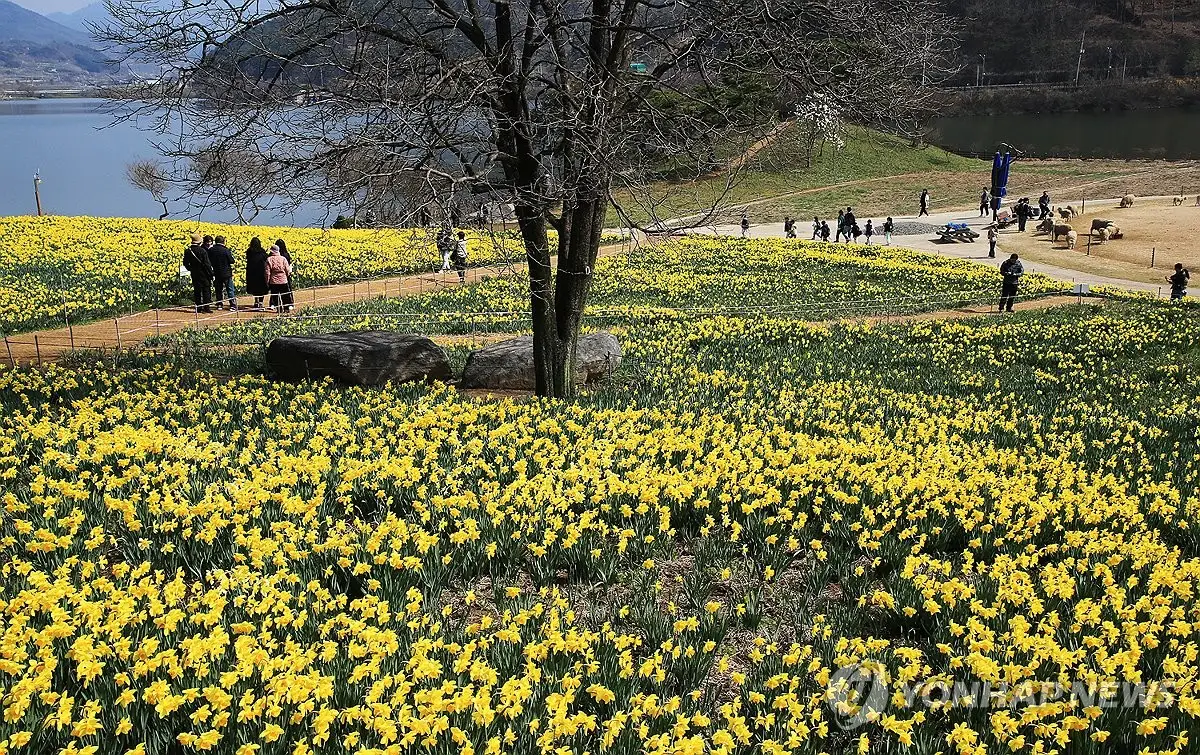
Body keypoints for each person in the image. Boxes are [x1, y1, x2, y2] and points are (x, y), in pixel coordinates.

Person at [182, 232, 214, 313]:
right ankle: (206, 308)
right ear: (199, 242)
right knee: (206, 290)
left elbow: (185, 263)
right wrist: (211, 273)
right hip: (204, 273)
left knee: (197, 290)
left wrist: (191, 269)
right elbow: (207, 264)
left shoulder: (188, 251)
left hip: (194, 273)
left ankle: (198, 308)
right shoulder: (202, 251)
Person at [209, 235, 236, 310]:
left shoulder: (211, 250)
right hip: (226, 273)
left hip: (216, 272)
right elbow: (231, 261)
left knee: (218, 289)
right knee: (230, 289)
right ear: (223, 241)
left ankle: (219, 304)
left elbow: (209, 261)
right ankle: (232, 305)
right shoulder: (225, 250)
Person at [266, 245, 293, 312]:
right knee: (285, 295)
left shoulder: (269, 259)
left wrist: (267, 281)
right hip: (283, 280)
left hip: (273, 281)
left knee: (275, 296)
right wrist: (286, 276)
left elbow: (267, 272)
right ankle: (286, 308)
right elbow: (287, 270)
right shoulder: (283, 259)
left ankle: (279, 309)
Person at [245, 237, 269, 310]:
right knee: (261, 287)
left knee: (254, 287)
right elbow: (266, 259)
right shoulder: (262, 252)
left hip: (251, 272)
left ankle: (256, 302)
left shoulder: (249, 251)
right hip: (261, 272)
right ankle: (260, 303)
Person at [274, 239, 295, 311]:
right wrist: (288, 273)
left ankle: (274, 305)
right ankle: (289, 305)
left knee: (275, 293)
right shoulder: (286, 254)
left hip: (274, 278)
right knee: (287, 292)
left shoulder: (271, 256)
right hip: (285, 276)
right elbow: (288, 265)